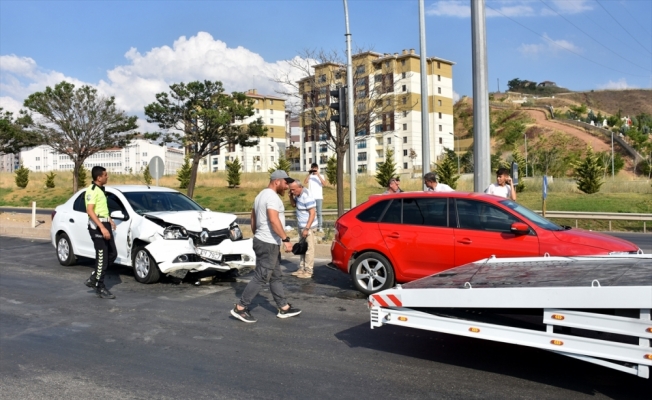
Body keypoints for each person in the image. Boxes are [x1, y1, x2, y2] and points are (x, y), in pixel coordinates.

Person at [231, 170, 302, 323]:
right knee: (261, 277)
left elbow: (253, 217)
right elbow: (273, 219)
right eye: (285, 183)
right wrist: (286, 239)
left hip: (266, 241)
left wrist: (257, 233)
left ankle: (283, 307)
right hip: (268, 243)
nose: (287, 186)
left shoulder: (260, 195)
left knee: (275, 276)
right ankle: (241, 307)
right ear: (277, 181)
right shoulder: (271, 197)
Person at [84, 166, 117, 299]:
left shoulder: (100, 190)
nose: (107, 176)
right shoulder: (92, 191)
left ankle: (94, 278)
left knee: (112, 254)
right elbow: (90, 210)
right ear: (99, 178)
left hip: (105, 223)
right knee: (102, 257)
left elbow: (101, 209)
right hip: (97, 226)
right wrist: (102, 227)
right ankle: (99, 286)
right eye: (105, 175)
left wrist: (109, 220)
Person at [288, 181, 317, 279]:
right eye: (291, 190)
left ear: (300, 187)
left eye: (293, 189)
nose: (292, 191)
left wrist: (307, 228)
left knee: (309, 248)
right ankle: (302, 268)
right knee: (302, 247)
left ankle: (309, 270)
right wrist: (291, 197)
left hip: (308, 226)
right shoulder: (298, 195)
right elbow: (294, 205)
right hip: (301, 226)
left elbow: (312, 213)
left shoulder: (306, 196)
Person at [304, 163, 325, 232]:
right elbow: (305, 182)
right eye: (313, 168)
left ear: (317, 168)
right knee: (311, 212)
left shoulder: (321, 175)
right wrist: (309, 174)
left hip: (318, 196)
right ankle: (311, 226)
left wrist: (318, 175)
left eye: (315, 168)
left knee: (319, 212)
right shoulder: (310, 176)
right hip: (311, 197)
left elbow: (324, 184)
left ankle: (320, 226)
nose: (314, 170)